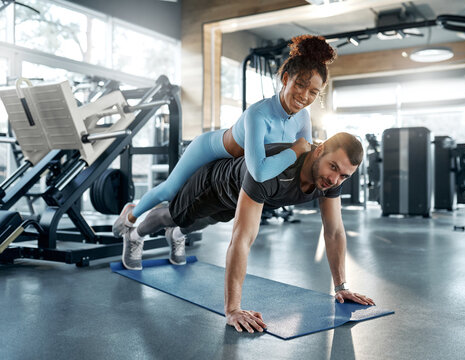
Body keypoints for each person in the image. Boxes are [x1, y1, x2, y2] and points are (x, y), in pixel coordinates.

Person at [122, 132, 376, 333]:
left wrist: (341, 286)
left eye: (344, 176)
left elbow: (334, 232)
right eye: (332, 167)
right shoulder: (274, 170)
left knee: (204, 222)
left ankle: (177, 235)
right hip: (213, 186)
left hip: (237, 199)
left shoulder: (329, 181)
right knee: (174, 215)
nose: (335, 180)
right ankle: (134, 233)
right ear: (319, 150)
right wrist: (233, 309)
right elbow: (242, 239)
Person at [112, 34, 337, 238]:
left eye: (313, 93)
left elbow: (306, 159)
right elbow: (260, 170)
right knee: (171, 190)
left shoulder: (303, 118)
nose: (304, 96)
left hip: (230, 169)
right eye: (300, 85)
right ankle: (130, 216)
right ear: (286, 79)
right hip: (209, 148)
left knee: (206, 211)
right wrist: (296, 149)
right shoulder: (258, 114)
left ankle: (175, 234)